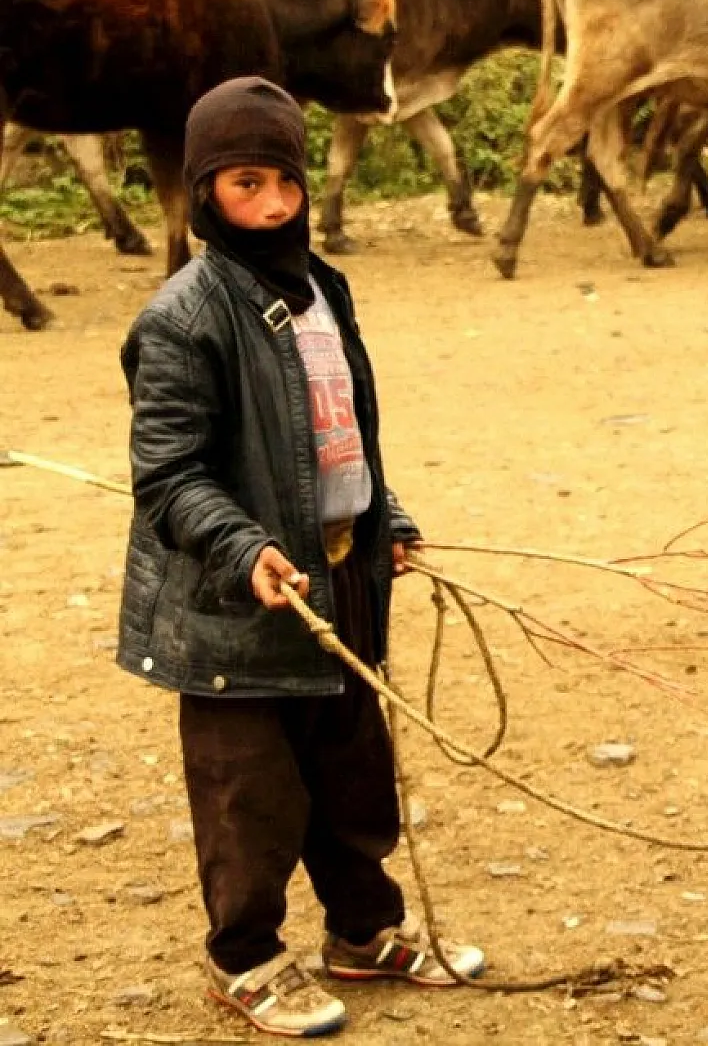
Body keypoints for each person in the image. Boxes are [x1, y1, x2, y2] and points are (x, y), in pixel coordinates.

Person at [115, 76, 485, 1038]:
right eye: (246, 184)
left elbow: (340, 433)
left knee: (354, 769)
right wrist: (246, 549)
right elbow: (168, 475)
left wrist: (382, 514)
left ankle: (363, 931)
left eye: (284, 178)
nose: (274, 204)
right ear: (204, 193)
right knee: (253, 794)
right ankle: (243, 957)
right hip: (240, 605)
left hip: (339, 578)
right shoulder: (183, 316)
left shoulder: (326, 287)